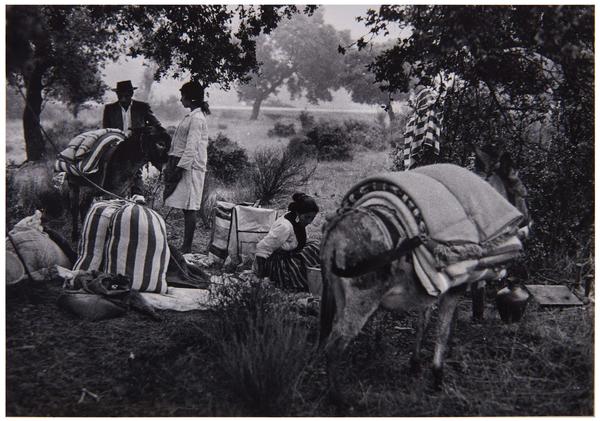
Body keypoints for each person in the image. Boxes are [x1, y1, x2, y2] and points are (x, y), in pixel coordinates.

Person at [163, 81, 210, 254]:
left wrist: (179, 169)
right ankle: (186, 244)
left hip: (191, 168)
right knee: (186, 206)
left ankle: (187, 246)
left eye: (183, 96)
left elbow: (191, 147)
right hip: (184, 165)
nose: (181, 99)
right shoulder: (191, 116)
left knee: (190, 206)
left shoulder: (197, 119)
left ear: (191, 99)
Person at [102, 80, 162, 196]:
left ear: (131, 94)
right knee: (113, 172)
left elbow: (157, 126)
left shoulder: (142, 107)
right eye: (120, 96)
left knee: (135, 172)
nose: (123, 99)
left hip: (136, 147)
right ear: (117, 95)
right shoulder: (110, 109)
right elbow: (106, 130)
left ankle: (137, 199)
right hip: (116, 147)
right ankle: (112, 197)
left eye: (126, 96)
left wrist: (149, 132)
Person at [253, 193, 321, 292]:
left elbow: (300, 240)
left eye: (312, 218)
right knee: (298, 264)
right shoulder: (285, 226)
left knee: (316, 246)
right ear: (298, 213)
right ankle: (303, 281)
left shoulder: (297, 221)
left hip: (291, 252)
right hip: (277, 262)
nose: (309, 221)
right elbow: (262, 248)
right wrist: (260, 276)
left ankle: (317, 275)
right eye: (307, 217)